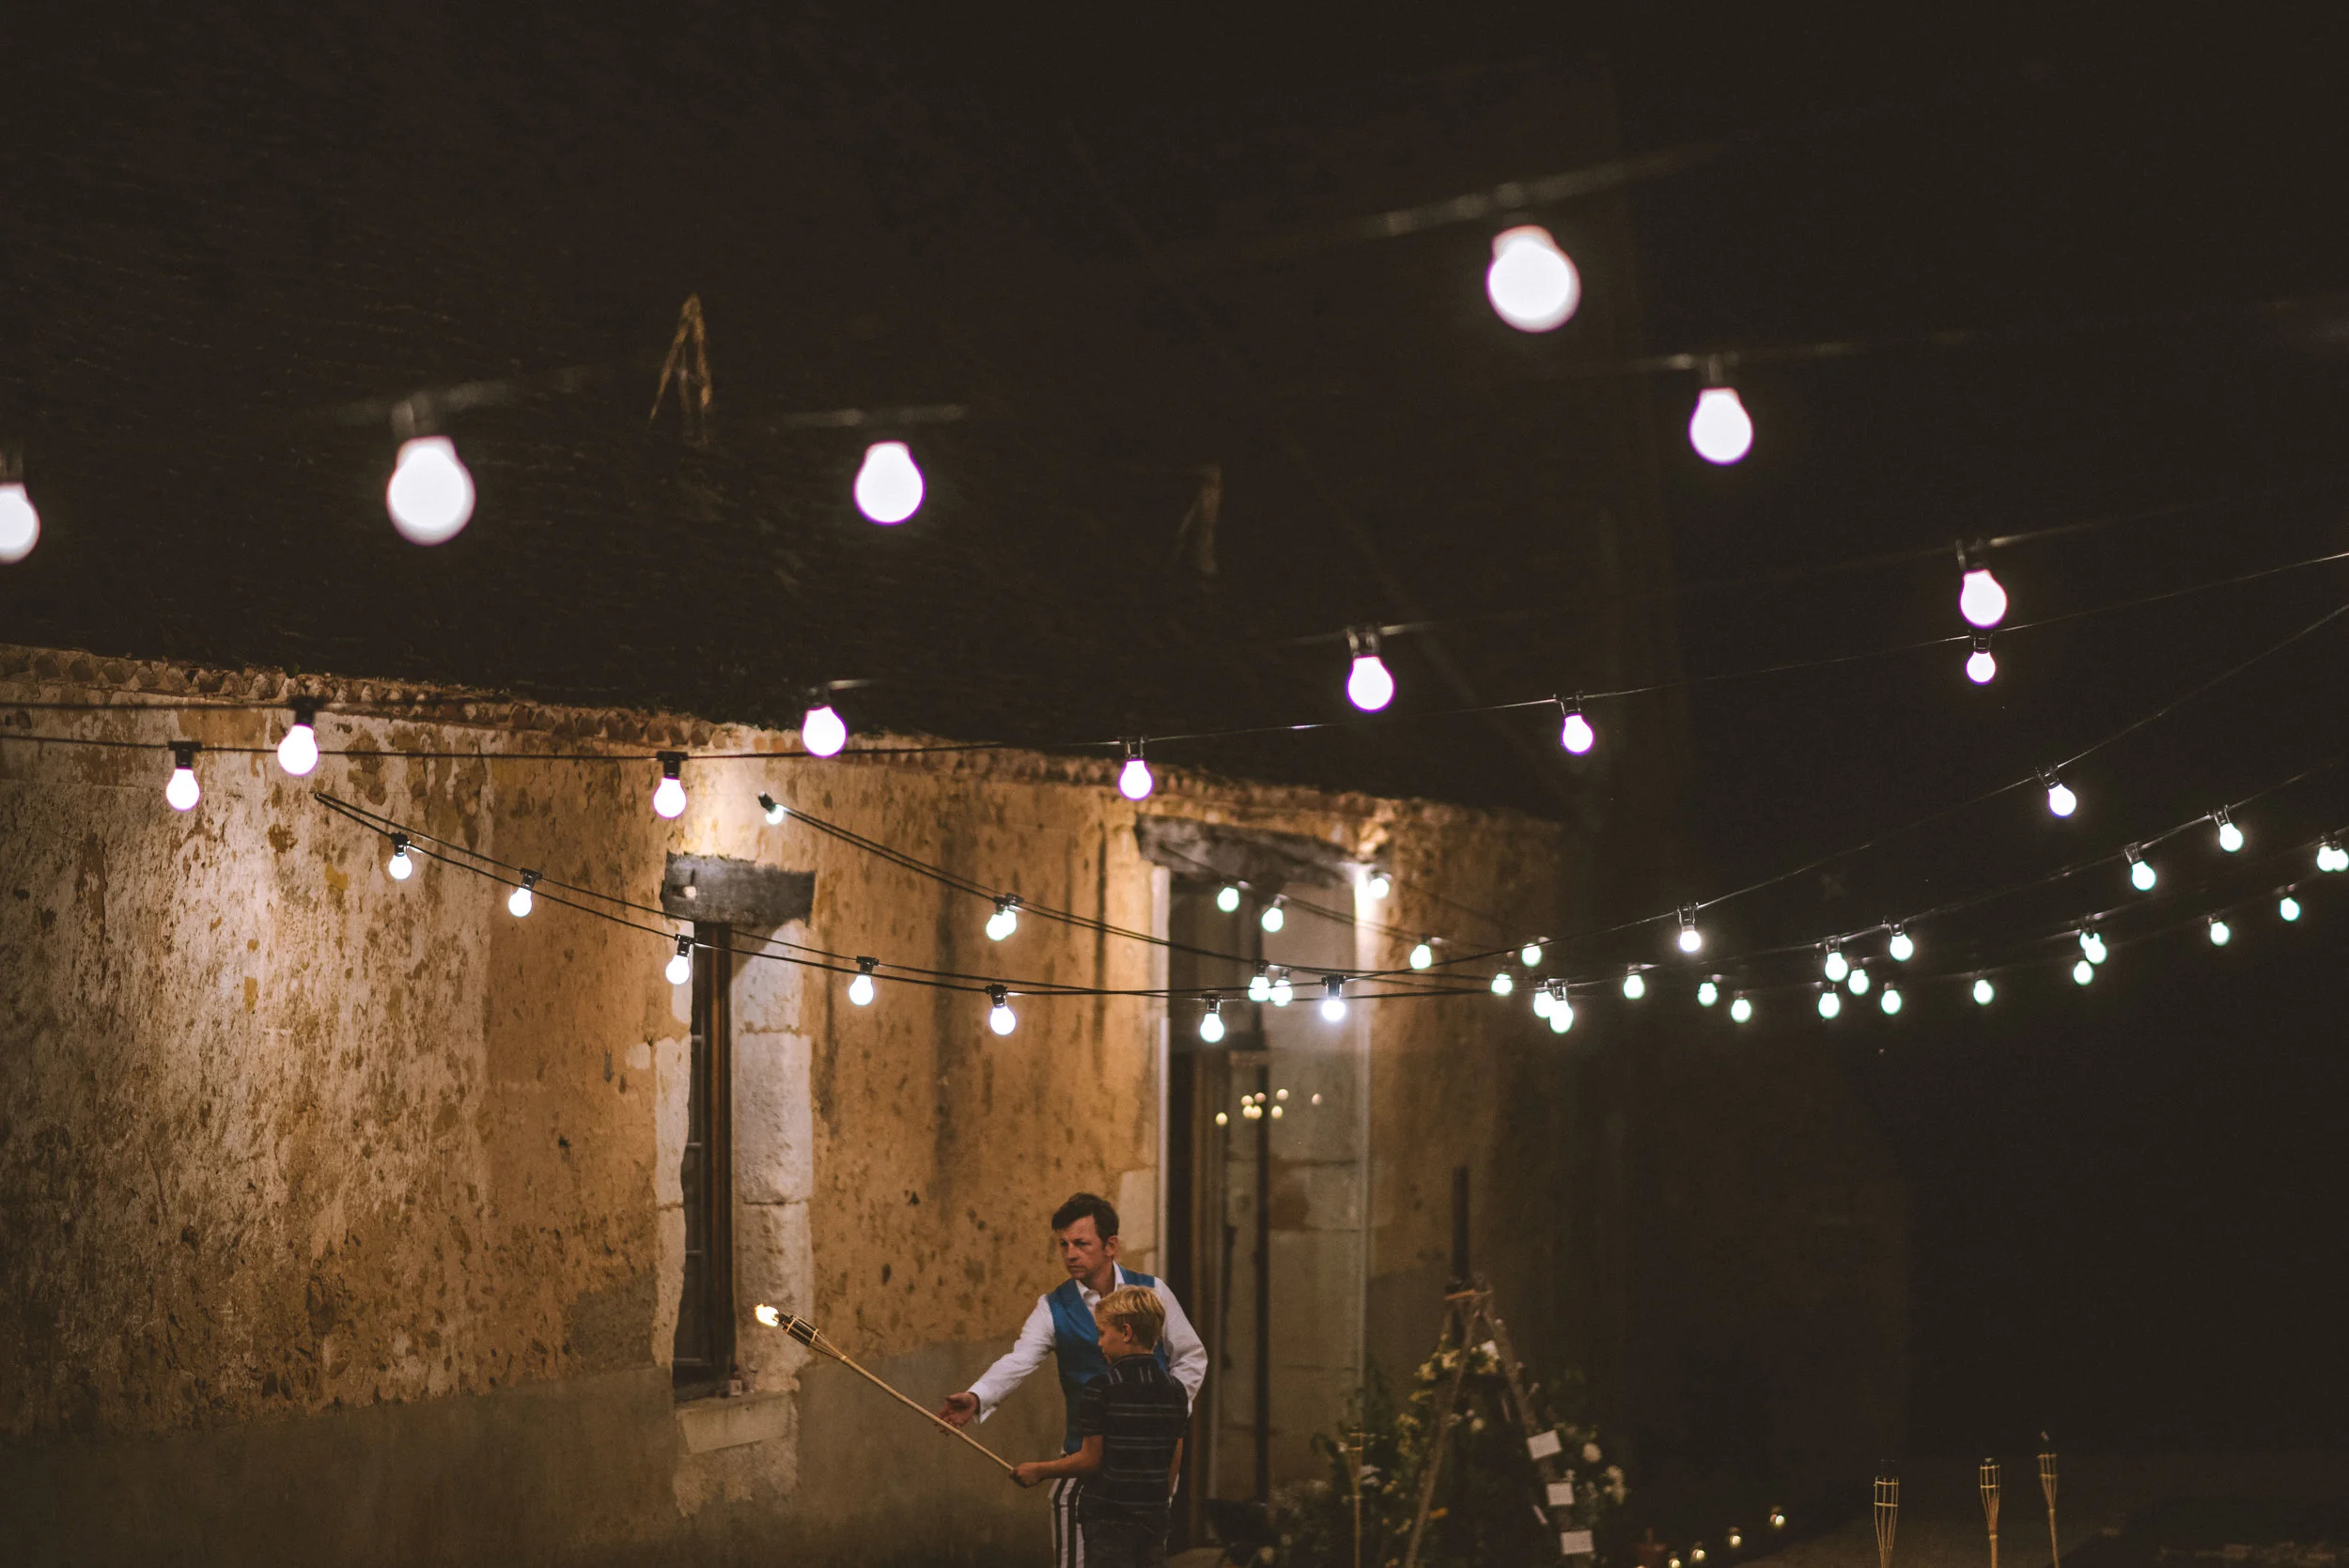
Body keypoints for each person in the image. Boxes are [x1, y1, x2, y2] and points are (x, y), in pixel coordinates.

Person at [938, 1192, 1206, 1568]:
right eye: (1063, 1244)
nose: (1070, 1254)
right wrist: (978, 1395)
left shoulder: (1152, 1292)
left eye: (1081, 1243)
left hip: (1146, 1461)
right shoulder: (1053, 1306)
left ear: (1110, 1245)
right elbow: (1020, 1358)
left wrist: (1165, 1409)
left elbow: (1191, 1356)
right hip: (1086, 1456)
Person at [1009, 1285, 1190, 1568]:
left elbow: (1091, 1460)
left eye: (1103, 1333)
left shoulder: (1101, 1389)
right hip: (1154, 1517)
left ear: (1126, 1333)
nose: (1099, 1344)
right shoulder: (1176, 1390)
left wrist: (1039, 1470)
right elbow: (1174, 1458)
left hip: (1111, 1519)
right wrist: (1155, 1502)